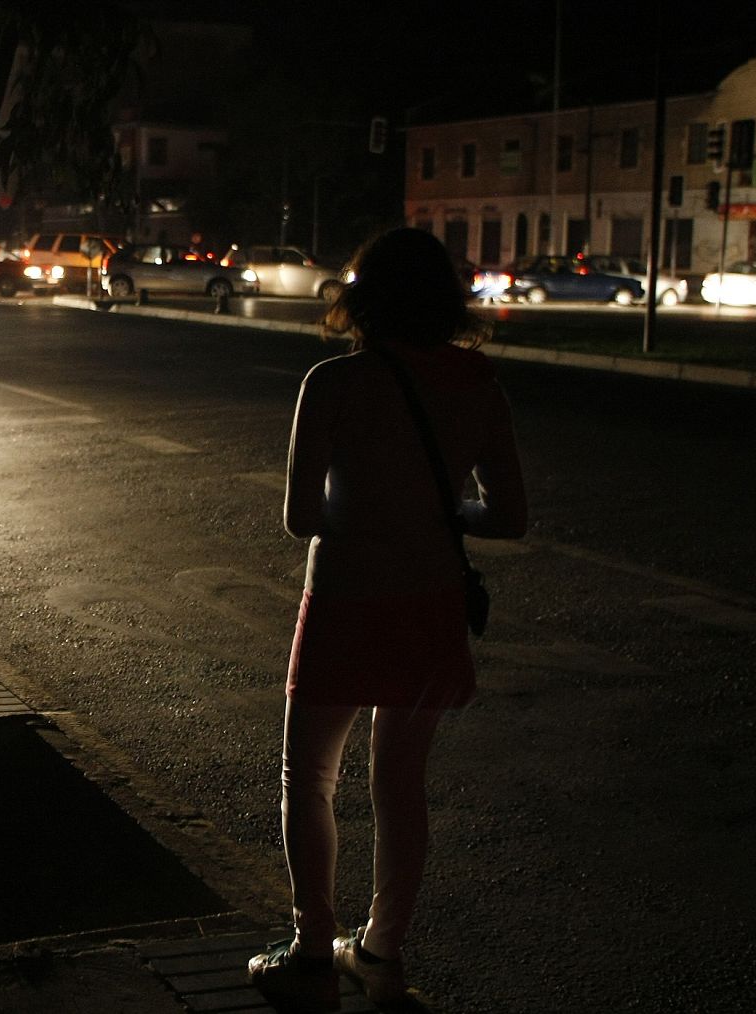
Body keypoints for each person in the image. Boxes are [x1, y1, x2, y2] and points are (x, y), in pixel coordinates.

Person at [247, 228, 527, 1010]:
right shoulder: (478, 382)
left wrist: (368, 508)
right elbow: (508, 516)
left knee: (310, 777)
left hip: (346, 599)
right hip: (431, 604)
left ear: (362, 298)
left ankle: (311, 948)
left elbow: (302, 518)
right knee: (401, 785)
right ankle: (381, 953)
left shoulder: (334, 382)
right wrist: (441, 513)